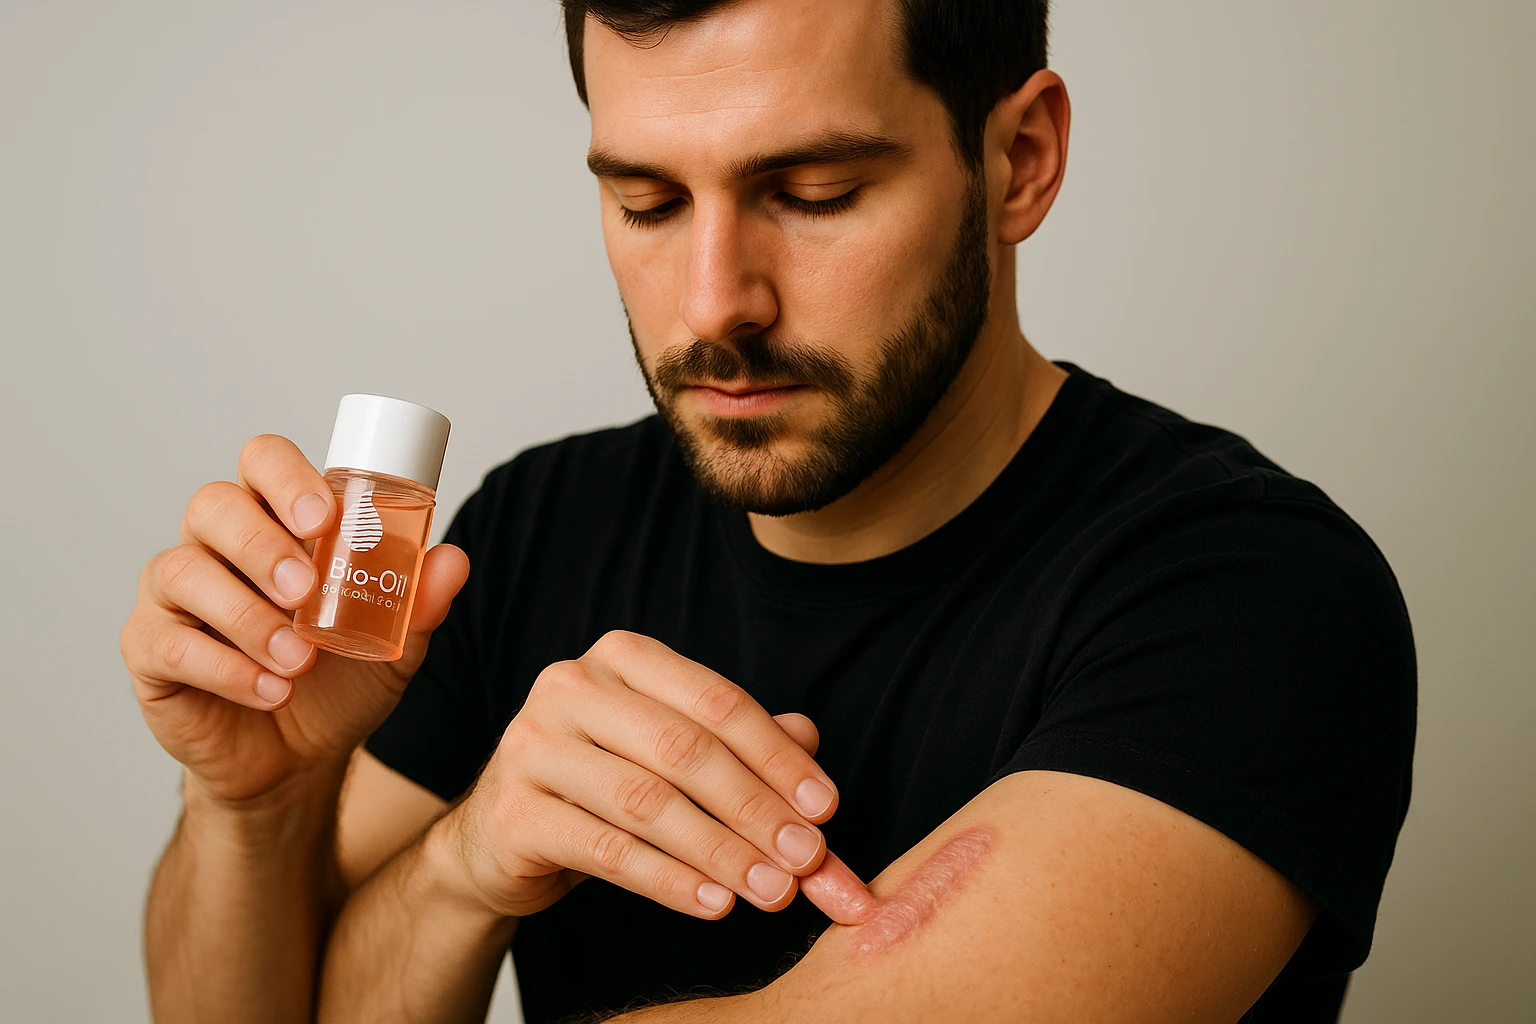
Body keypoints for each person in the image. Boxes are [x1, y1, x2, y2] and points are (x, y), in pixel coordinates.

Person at [120, 1, 1418, 1021]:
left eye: (813, 194)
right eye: (646, 201)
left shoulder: (1250, 595)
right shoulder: (534, 526)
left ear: (1018, 160)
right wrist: (271, 812)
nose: (711, 305)